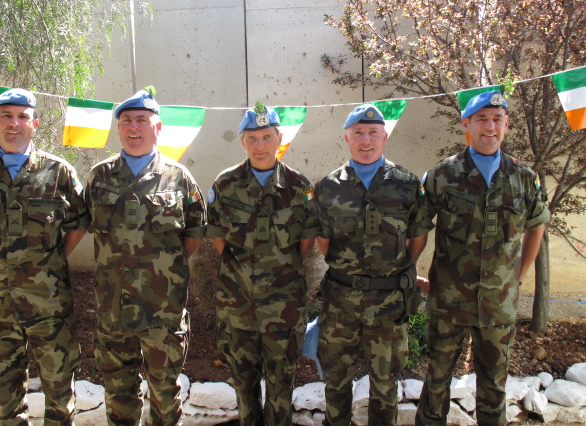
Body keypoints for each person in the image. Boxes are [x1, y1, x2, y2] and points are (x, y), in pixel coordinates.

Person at [416, 91, 550, 426]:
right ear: (467, 124)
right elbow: (418, 226)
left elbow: (537, 225)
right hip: (448, 302)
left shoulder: (524, 177)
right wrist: (410, 271)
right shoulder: (442, 176)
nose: (490, 126)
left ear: (506, 124)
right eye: (481, 119)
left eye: (497, 119)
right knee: (437, 381)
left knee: (493, 387)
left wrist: (518, 276)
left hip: (499, 304)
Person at [0, 88, 88, 426]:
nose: (14, 124)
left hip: (50, 303)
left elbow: (77, 223)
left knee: (59, 387)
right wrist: (1, 262)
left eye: (22, 117)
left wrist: (49, 258)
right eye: (6, 116)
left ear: (35, 124)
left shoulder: (58, 172)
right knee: (3, 390)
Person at [84, 89, 206, 426]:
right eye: (126, 121)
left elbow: (194, 234)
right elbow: (83, 226)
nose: (133, 127)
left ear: (158, 127)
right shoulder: (98, 178)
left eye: (142, 120)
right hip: (113, 309)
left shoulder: (180, 178)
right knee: (118, 394)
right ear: (119, 129)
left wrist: (163, 270)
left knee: (166, 395)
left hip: (162, 311)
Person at [314, 104, 433, 426]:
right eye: (358, 133)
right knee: (336, 381)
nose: (366, 140)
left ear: (385, 136)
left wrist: (400, 267)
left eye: (373, 133)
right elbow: (323, 240)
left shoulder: (407, 184)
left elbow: (418, 236)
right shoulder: (328, 186)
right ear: (346, 138)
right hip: (341, 302)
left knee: (385, 383)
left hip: (389, 303)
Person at [206, 103, 319, 426]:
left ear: (279, 138)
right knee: (244, 382)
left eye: (267, 137)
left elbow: (306, 242)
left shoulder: (299, 187)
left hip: (284, 305)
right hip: (237, 303)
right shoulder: (225, 185)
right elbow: (217, 236)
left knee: (282, 382)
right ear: (242, 141)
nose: (260, 145)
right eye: (252, 138)